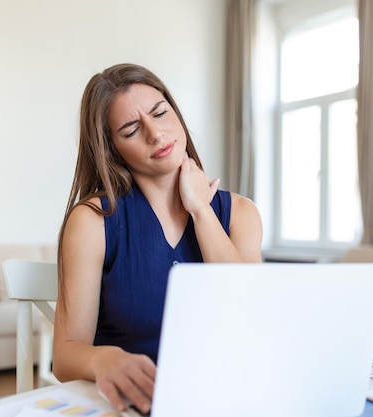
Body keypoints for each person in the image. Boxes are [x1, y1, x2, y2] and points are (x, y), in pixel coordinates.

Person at [52, 63, 263, 414]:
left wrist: (201, 210)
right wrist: (105, 360)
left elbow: (252, 316)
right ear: (112, 148)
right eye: (132, 129)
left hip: (224, 400)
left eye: (160, 113)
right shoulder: (93, 221)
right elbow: (66, 353)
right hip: (132, 406)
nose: (155, 134)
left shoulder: (240, 214)